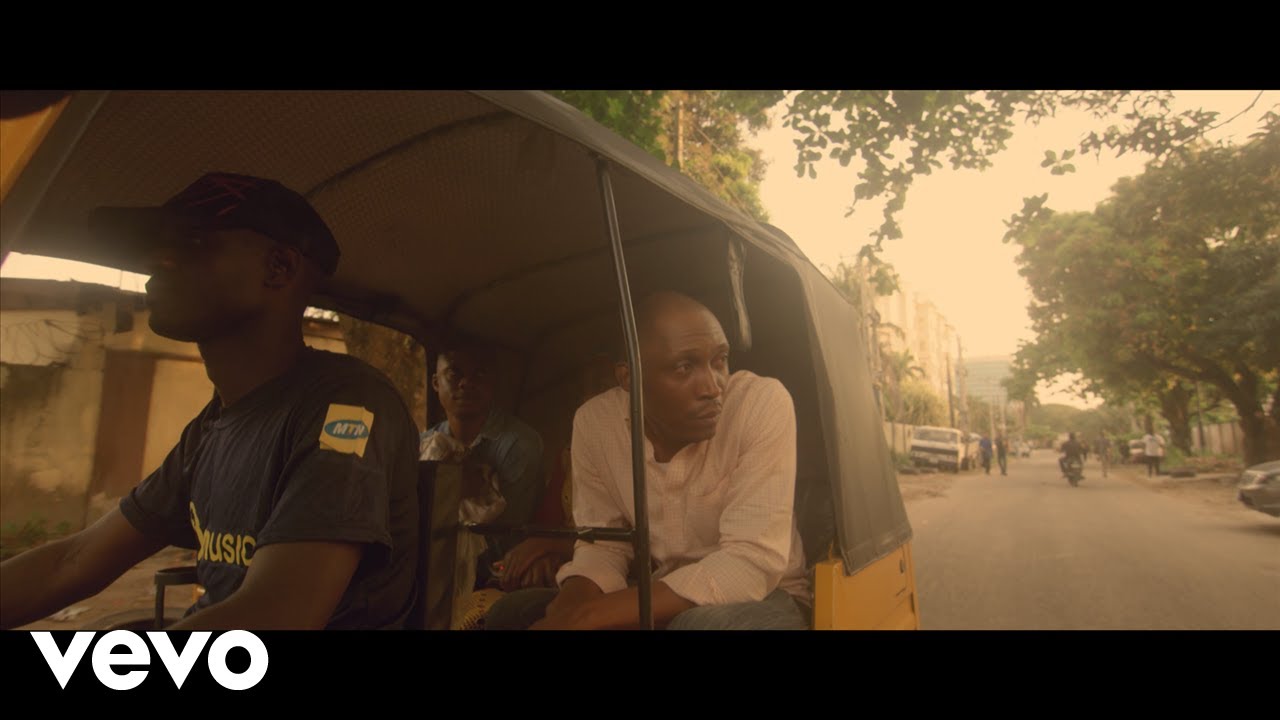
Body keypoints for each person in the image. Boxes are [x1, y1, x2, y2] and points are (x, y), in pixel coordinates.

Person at [0, 172, 420, 630]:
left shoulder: (347, 406)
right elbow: (73, 561)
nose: (157, 260)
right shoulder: (212, 427)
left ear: (278, 267)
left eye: (192, 242)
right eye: (157, 246)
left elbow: (277, 615)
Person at [485, 291, 811, 630]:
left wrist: (586, 617)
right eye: (685, 367)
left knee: (698, 627)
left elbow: (750, 563)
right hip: (663, 590)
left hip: (768, 596)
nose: (713, 387)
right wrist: (568, 607)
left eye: (719, 361)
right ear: (628, 378)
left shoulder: (760, 404)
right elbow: (605, 546)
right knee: (513, 613)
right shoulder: (595, 423)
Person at [419, 341, 545, 593]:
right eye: (454, 373)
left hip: (494, 575)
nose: (466, 383)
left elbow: (508, 536)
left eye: (479, 374)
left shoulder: (519, 444)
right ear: (435, 383)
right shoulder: (425, 443)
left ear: (492, 383)